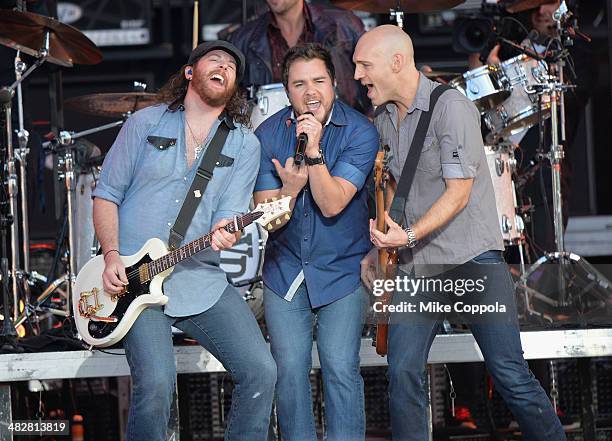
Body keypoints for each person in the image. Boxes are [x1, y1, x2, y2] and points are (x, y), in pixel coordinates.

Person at [354, 25, 566, 441]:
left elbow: (459, 192)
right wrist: (376, 246)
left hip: (473, 261)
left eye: (365, 65)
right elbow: (395, 185)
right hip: (421, 267)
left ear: (397, 63)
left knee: (508, 372)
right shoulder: (381, 119)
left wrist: (409, 236)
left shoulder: (451, 108)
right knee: (401, 370)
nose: (358, 75)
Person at [92, 40, 276, 441]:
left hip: (200, 278)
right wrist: (110, 257)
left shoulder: (245, 144)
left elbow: (230, 212)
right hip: (134, 282)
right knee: (156, 385)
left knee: (262, 370)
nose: (224, 67)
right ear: (190, 72)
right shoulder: (145, 124)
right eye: (215, 60)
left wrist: (231, 229)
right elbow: (106, 195)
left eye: (232, 65)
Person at [253, 43, 378, 441]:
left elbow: (331, 203)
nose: (310, 92)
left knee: (340, 366)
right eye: (299, 84)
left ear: (335, 83)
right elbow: (267, 219)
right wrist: (289, 192)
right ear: (286, 90)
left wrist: (314, 153)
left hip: (342, 269)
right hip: (285, 270)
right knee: (288, 371)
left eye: (319, 81)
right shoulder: (267, 134)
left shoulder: (360, 131)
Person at [224, 0, 370, 114]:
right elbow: (230, 97)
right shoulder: (243, 38)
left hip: (342, 134)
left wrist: (370, 117)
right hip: (272, 140)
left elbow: (373, 74)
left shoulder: (343, 23)